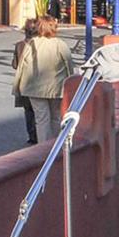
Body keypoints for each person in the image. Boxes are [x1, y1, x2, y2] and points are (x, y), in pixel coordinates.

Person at [11, 16, 73, 144]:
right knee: (56, 117)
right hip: (56, 88)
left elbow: (22, 66)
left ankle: (43, 147)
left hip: (34, 88)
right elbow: (69, 66)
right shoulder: (60, 44)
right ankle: (55, 146)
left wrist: (18, 86)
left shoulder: (32, 43)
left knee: (41, 119)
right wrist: (72, 85)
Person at [11, 16, 40, 146]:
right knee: (40, 111)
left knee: (28, 110)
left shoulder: (19, 45)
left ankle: (32, 135)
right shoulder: (41, 45)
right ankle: (41, 135)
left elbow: (15, 65)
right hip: (39, 81)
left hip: (24, 83)